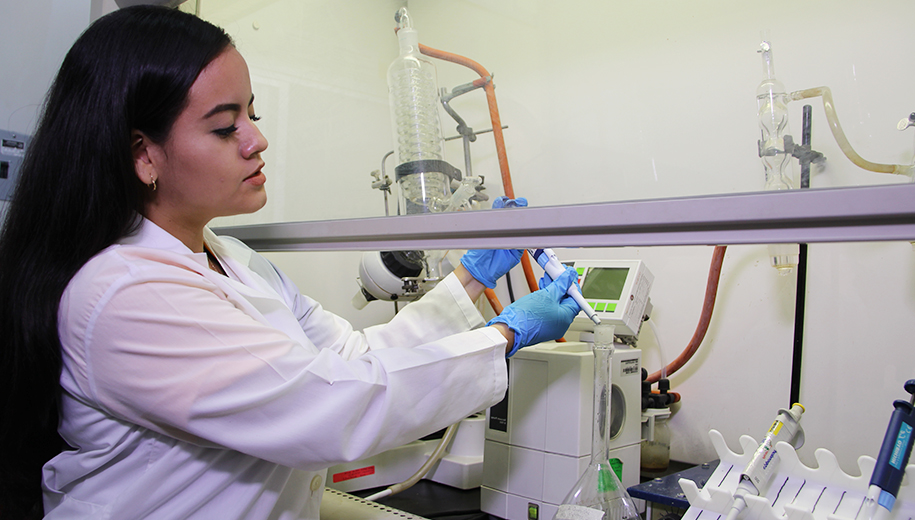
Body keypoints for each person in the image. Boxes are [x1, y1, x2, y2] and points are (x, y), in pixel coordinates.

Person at [0, 6, 580, 519]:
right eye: (226, 126)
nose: (256, 139)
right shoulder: (123, 294)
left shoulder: (234, 260)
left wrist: (470, 278)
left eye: (252, 114)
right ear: (144, 155)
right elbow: (331, 408)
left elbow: (351, 358)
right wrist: (505, 335)